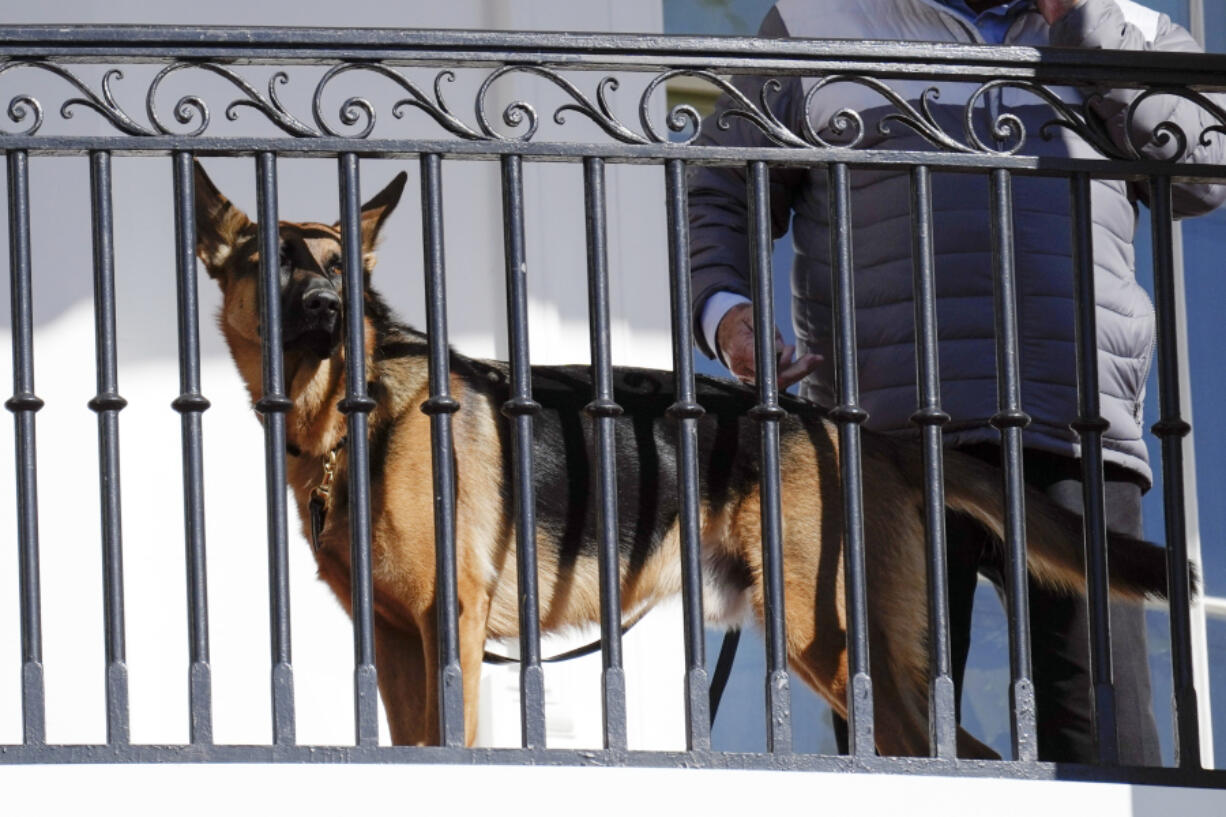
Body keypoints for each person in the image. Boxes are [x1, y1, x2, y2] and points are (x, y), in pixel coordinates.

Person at [688, 0, 1226, 763]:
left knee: (1105, 740)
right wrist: (730, 314)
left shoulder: (1124, 21)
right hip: (882, 441)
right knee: (899, 740)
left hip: (1073, 427)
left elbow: (1203, 175)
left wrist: (1083, 20)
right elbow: (723, 185)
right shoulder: (816, 18)